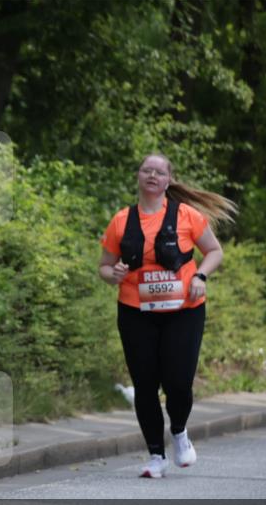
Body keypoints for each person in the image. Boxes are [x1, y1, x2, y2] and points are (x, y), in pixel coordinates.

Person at [98, 153, 235, 478]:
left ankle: (179, 431)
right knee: (145, 385)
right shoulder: (121, 220)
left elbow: (214, 251)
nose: (152, 175)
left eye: (159, 172)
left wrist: (200, 277)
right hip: (135, 311)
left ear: (168, 180)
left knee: (178, 383)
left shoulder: (186, 215)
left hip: (183, 311)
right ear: (138, 176)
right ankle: (155, 456)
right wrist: (112, 273)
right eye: (147, 169)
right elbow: (104, 266)